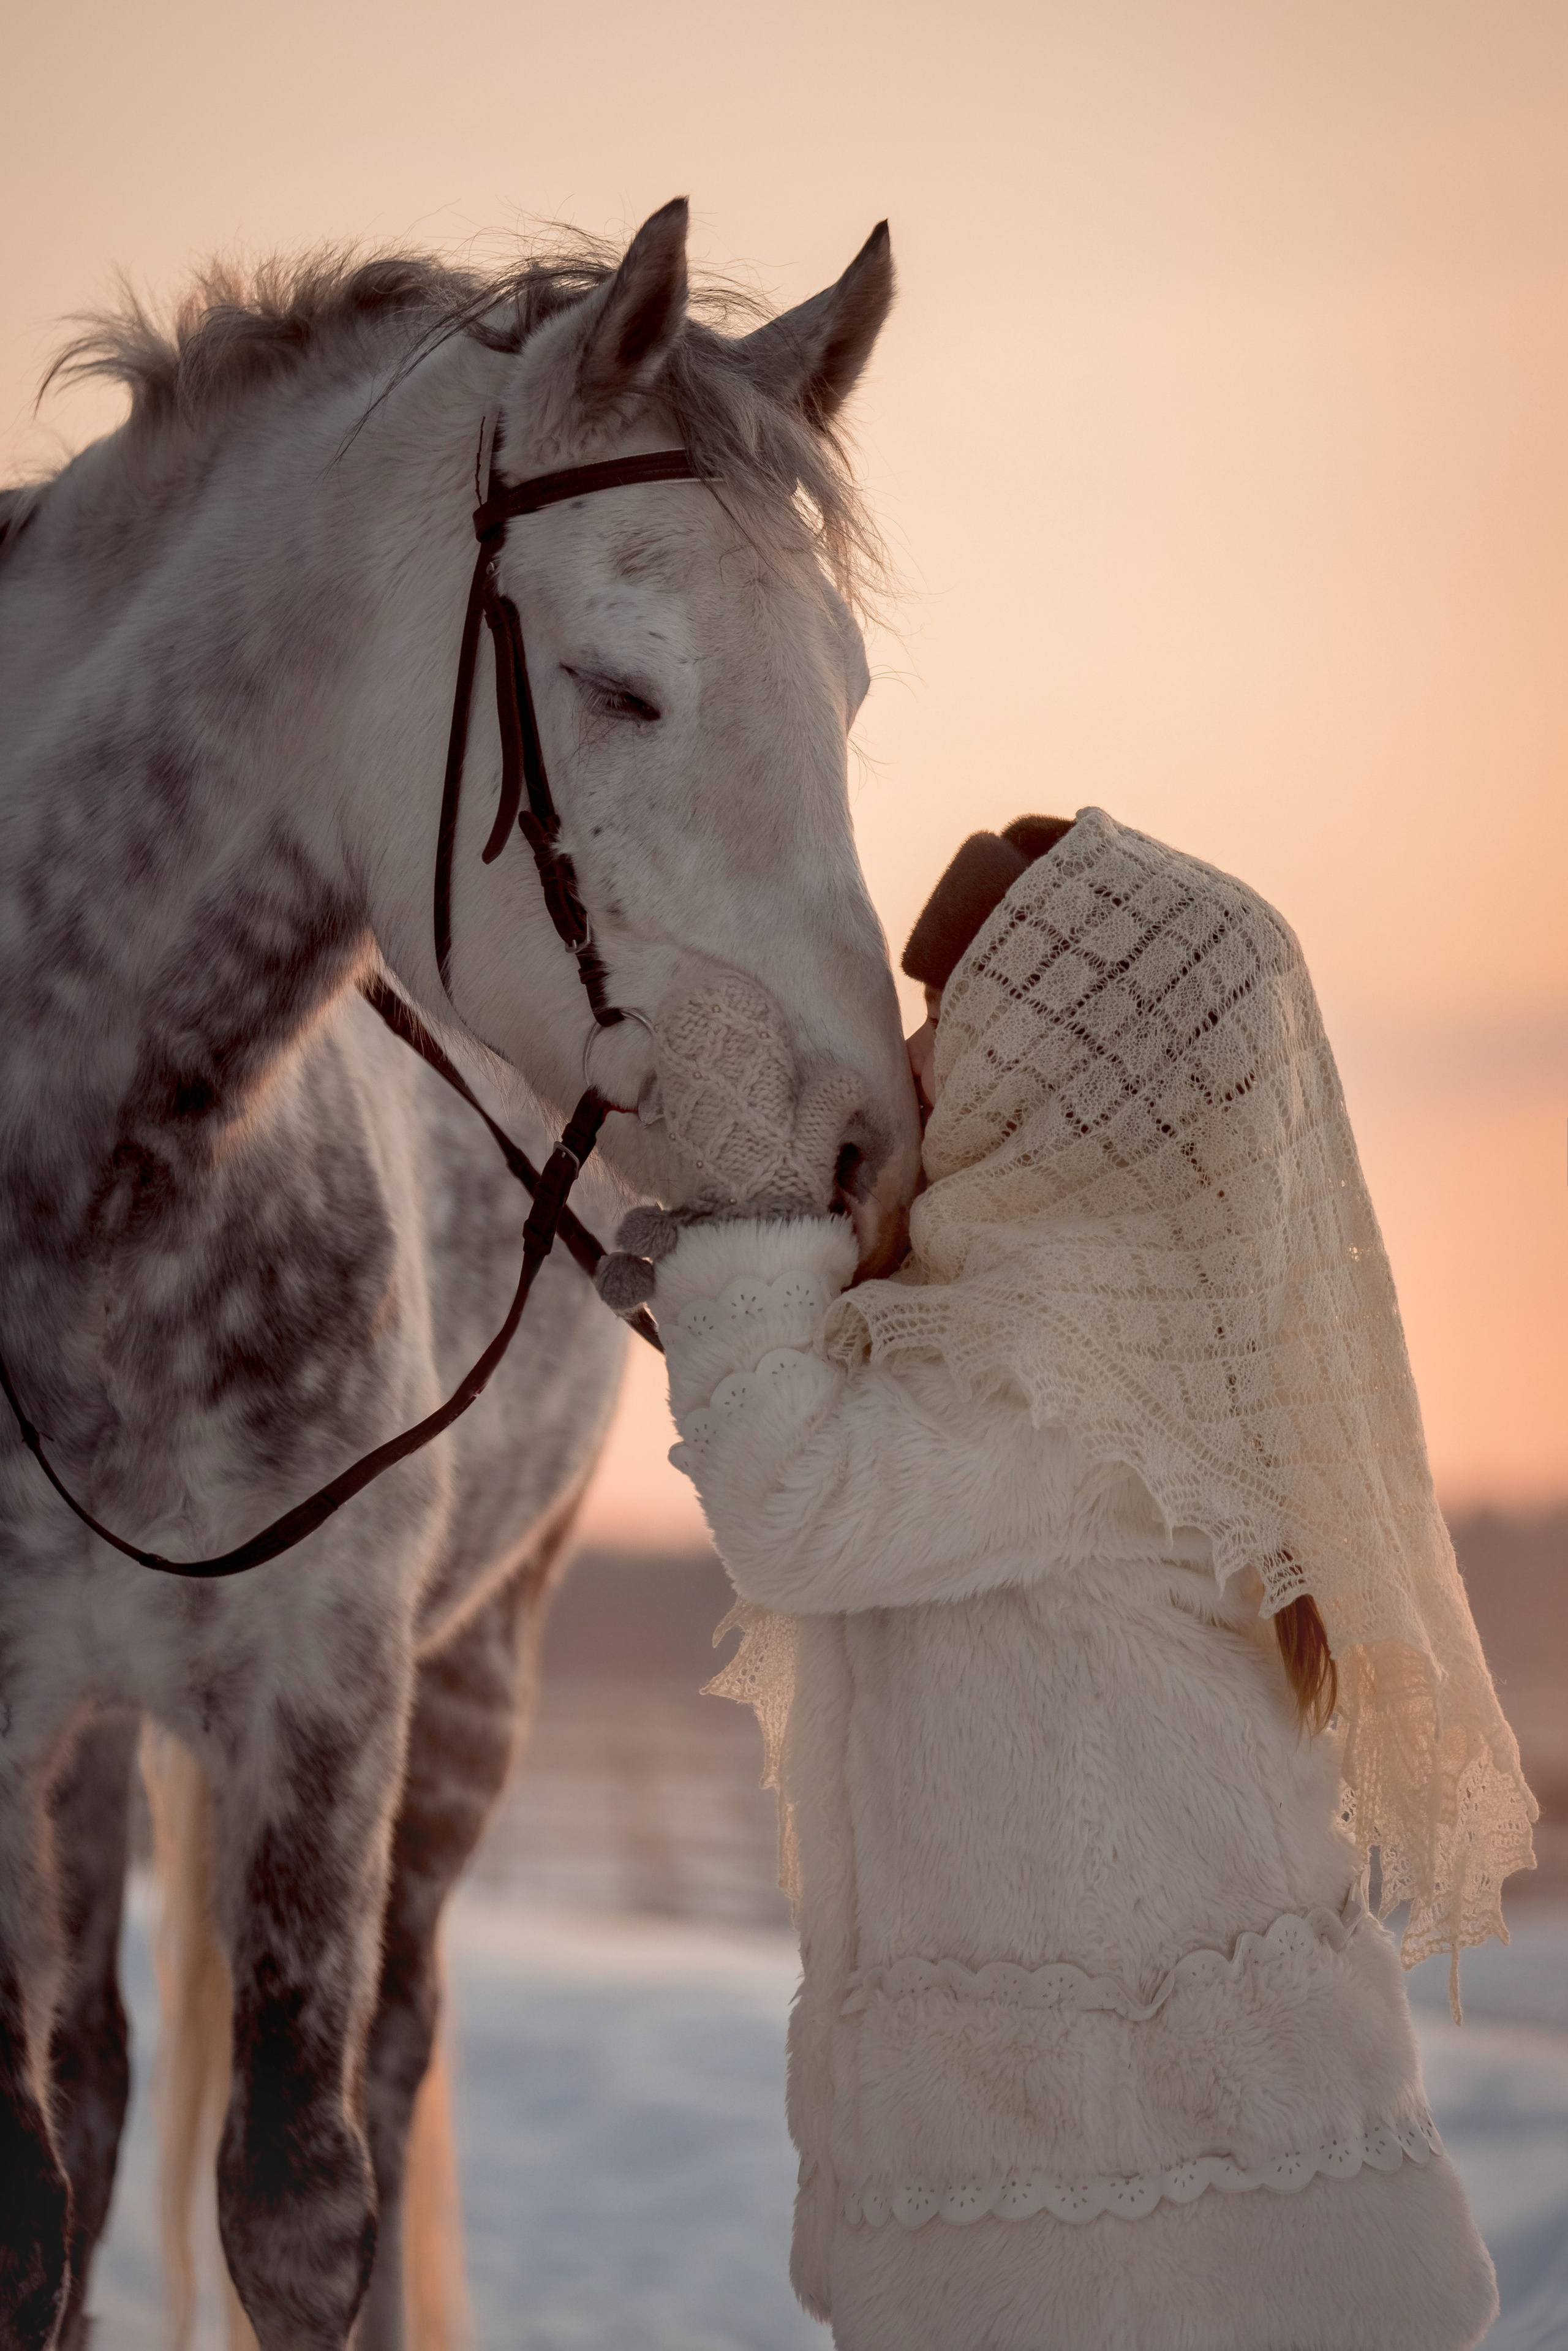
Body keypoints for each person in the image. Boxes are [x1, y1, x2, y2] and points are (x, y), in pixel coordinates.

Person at [598, 807, 1535, 2351]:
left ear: (1076, 1069)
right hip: (1138, 2203)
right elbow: (867, 1413)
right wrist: (738, 1275)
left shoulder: (1085, 1377)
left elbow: (803, 1499)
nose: (910, 1063)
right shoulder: (1092, 1335)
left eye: (952, 1025)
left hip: (1129, 2228)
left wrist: (751, 1232)